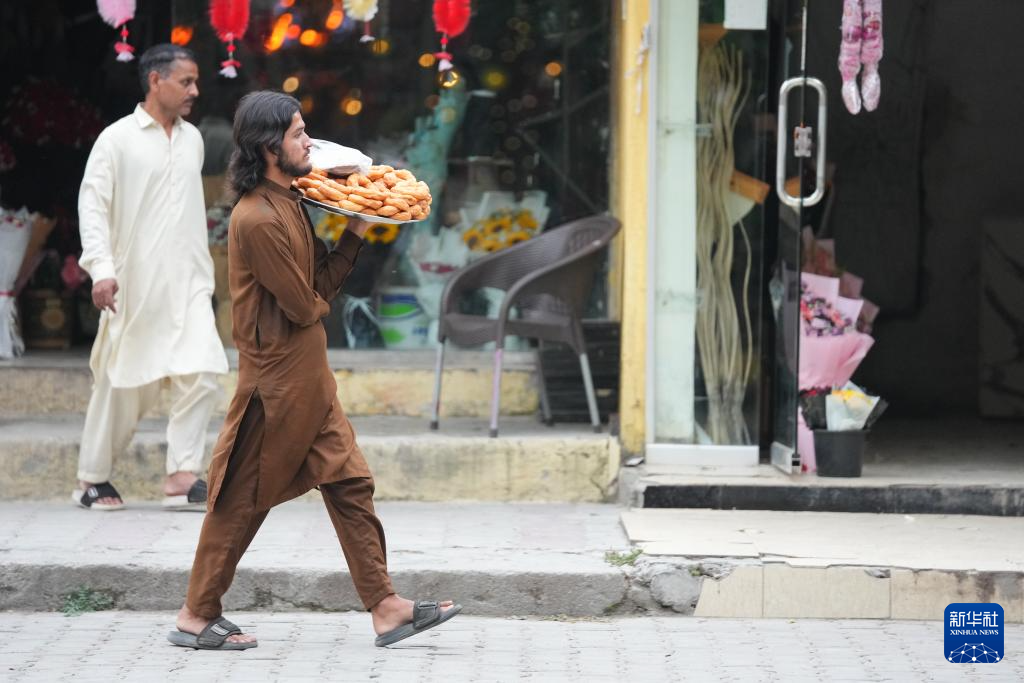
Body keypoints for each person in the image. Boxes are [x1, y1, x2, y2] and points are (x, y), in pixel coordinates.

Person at [168, 90, 461, 650]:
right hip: (275, 385)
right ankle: (196, 614)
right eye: (299, 134)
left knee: (351, 484)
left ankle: (386, 607)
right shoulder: (256, 217)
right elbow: (305, 306)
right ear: (268, 146)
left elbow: (318, 286)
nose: (310, 143)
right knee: (240, 501)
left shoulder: (293, 202)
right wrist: (328, 276)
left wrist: (357, 227)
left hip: (310, 378)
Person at [74, 44, 228, 511]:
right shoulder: (116, 139)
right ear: (156, 81)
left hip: (189, 283)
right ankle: (91, 478)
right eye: (186, 81)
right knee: (123, 384)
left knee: (203, 372)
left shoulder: (193, 139)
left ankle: (182, 474)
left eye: (196, 81)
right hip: (133, 284)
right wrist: (101, 270)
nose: (195, 91)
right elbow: (92, 207)